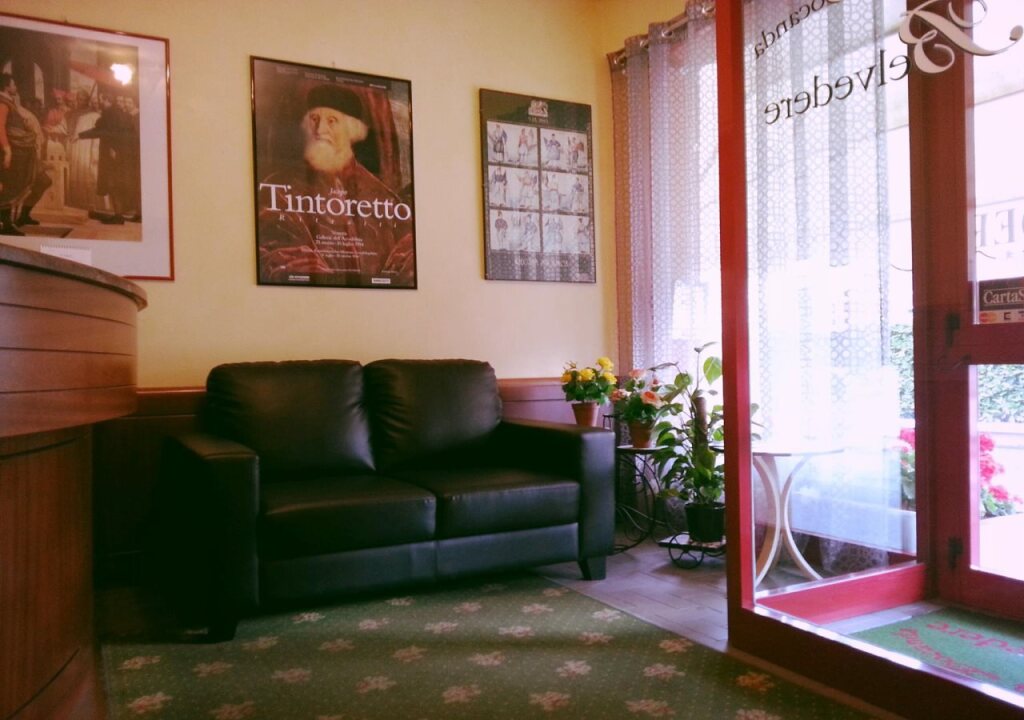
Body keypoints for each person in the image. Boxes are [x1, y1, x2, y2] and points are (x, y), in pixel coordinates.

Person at [257, 84, 414, 287]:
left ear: (352, 129)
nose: (320, 129)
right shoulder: (279, 189)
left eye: (332, 121)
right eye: (314, 119)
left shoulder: (385, 199)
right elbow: (278, 254)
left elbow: (406, 264)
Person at [0, 74, 38, 236]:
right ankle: (6, 224)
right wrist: (7, 150)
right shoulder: (3, 103)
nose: (15, 87)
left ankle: (17, 218)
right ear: (7, 86)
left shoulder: (9, 102)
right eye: (13, 84)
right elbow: (0, 127)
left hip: (19, 151)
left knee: (36, 181)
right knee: (9, 186)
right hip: (10, 151)